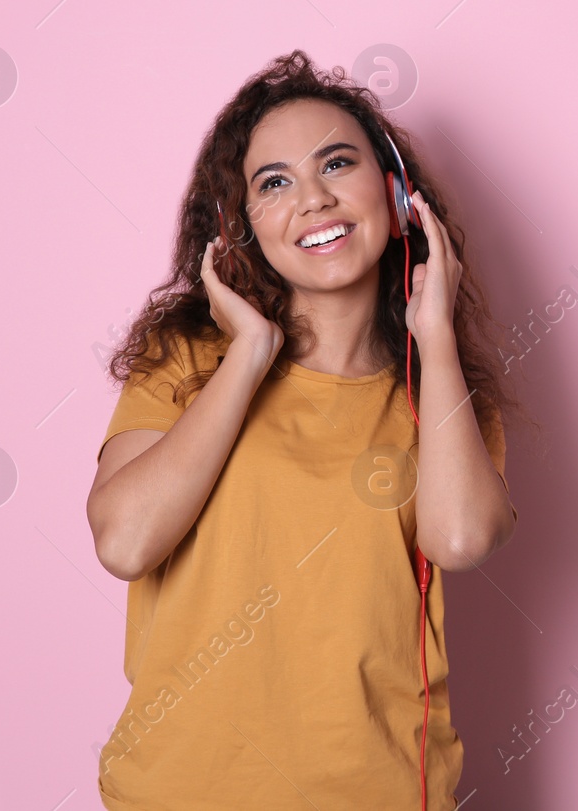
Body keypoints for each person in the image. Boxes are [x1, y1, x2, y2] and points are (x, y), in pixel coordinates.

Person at [85, 50, 521, 810]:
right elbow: (125, 541)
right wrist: (250, 354)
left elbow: (460, 539)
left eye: (337, 163)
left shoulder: (440, 395)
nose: (313, 199)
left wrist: (438, 336)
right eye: (275, 182)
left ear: (395, 195)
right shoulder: (186, 361)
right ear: (241, 225)